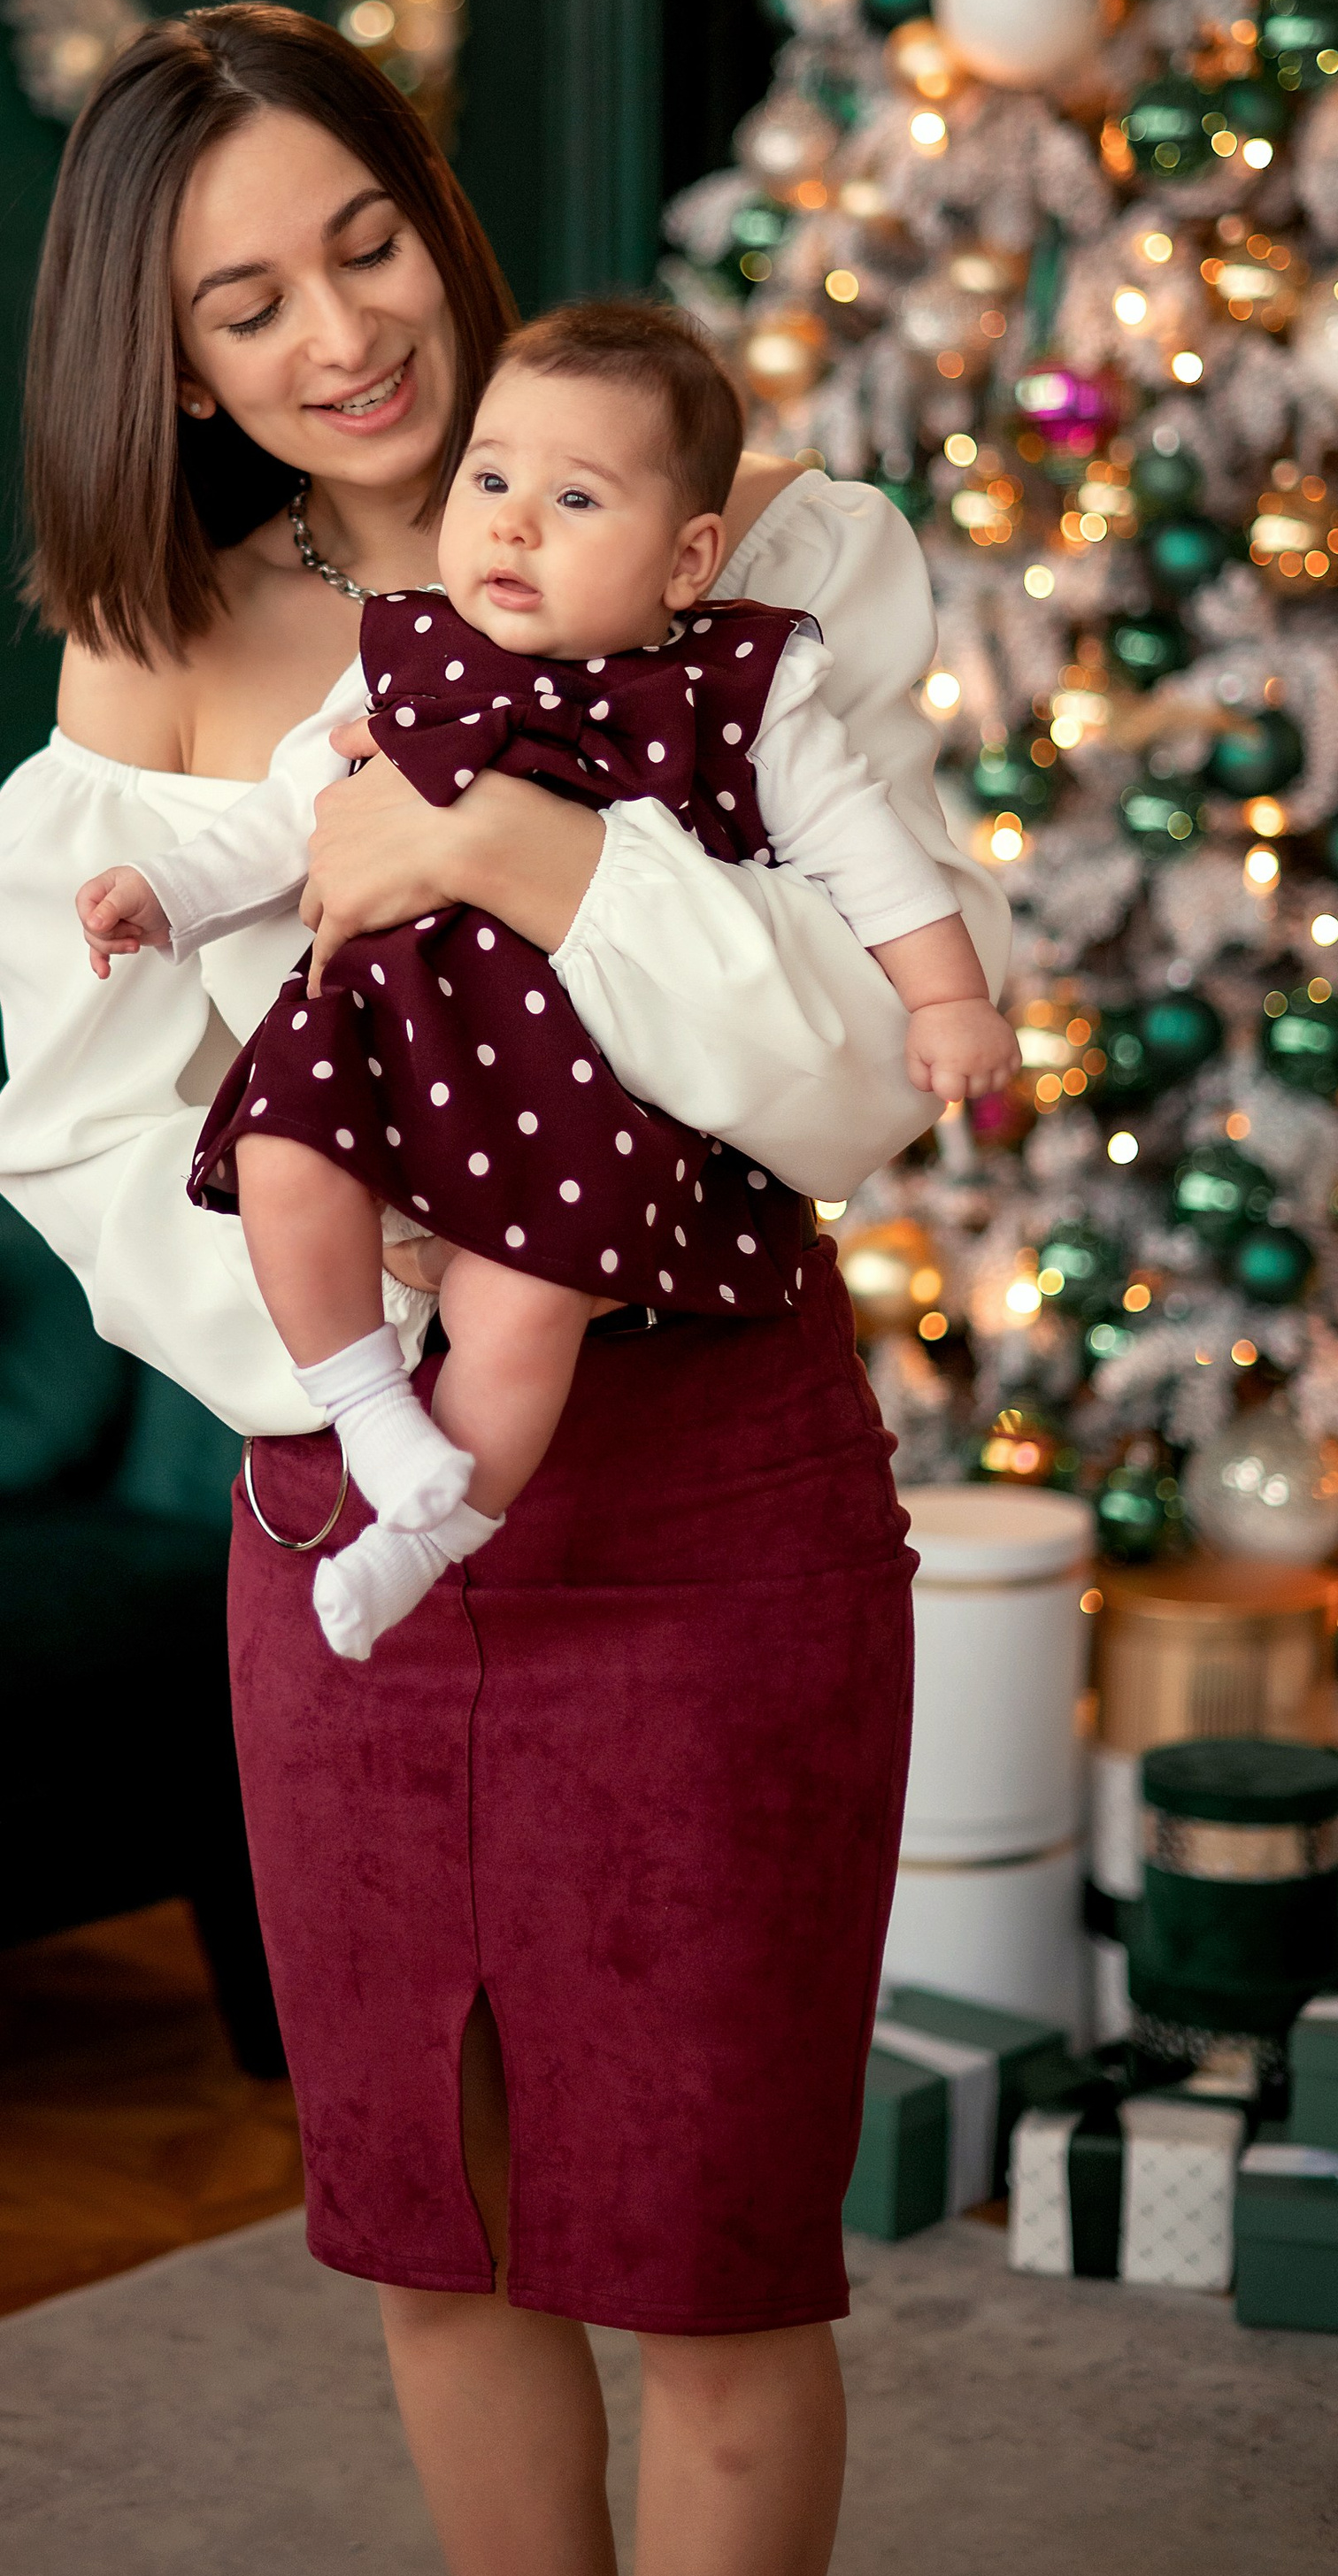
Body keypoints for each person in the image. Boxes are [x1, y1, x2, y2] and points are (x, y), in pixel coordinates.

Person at [0, 3, 1008, 2576]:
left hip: (715, 1504)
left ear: (440, 205)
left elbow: (855, 1074)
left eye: (365, 236)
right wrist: (376, 1324)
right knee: (440, 2246)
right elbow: (94, 1148)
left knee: (713, 2256)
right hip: (354, 1524)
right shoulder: (152, 674)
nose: (342, 333)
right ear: (167, 359)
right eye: (245, 305)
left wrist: (543, 853)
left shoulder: (752, 550)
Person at [73, 301, 1017, 1659]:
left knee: (526, 1300)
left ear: (691, 558)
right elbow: (283, 822)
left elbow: (868, 863)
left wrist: (946, 1002)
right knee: (283, 1160)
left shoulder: (737, 690)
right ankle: (375, 1419)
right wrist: (165, 896)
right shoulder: (406, 655)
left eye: (575, 498)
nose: (513, 525)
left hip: (577, 1090)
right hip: (392, 1046)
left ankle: (442, 1521)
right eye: (493, 481)